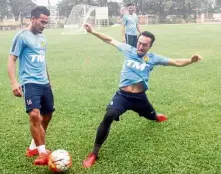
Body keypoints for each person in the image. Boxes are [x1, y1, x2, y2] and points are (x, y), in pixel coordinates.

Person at [82, 24, 203, 168]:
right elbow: (109, 40)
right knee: (109, 115)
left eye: (144, 45)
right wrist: (93, 31)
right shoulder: (128, 50)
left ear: (150, 46)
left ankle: (155, 115)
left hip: (140, 98)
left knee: (152, 117)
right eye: (139, 43)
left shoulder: (153, 58)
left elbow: (175, 62)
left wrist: (191, 60)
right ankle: (94, 153)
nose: (140, 47)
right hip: (123, 96)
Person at [7, 6, 54, 166]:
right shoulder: (21, 36)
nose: (44, 25)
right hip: (29, 82)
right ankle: (42, 152)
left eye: (46, 22)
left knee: (47, 116)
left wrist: (49, 81)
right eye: (42, 22)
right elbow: (12, 59)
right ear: (33, 19)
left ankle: (34, 147)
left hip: (44, 83)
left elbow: (43, 61)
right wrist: (14, 82)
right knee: (35, 115)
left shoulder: (43, 38)